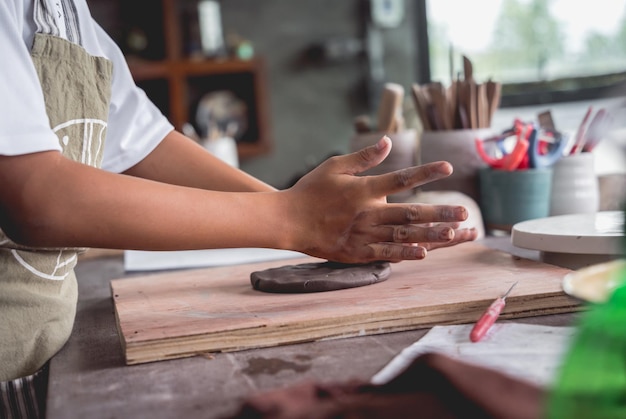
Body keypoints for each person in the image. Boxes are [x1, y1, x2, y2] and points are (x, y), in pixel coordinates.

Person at [0, 0, 477, 417]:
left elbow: (144, 146)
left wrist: (305, 214)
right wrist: (294, 220)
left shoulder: (71, 16)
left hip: (37, 355)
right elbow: (36, 196)